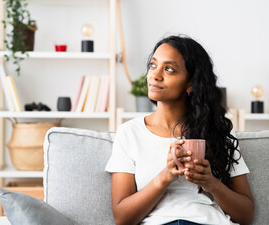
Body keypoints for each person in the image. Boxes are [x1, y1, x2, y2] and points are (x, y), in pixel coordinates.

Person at [105, 35, 254, 225]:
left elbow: (246, 215)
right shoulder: (129, 133)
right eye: (153, 65)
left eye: (169, 69)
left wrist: (211, 183)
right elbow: (122, 218)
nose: (155, 75)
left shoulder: (217, 131)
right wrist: (165, 177)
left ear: (191, 83)